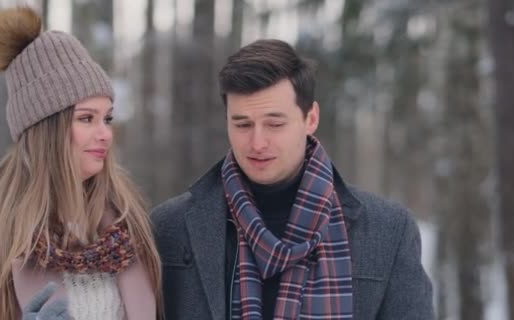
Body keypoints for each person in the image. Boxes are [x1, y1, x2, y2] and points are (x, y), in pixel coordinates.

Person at [152, 39, 434, 319]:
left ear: (310, 119)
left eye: (275, 124)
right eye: (242, 124)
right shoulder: (169, 227)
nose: (257, 142)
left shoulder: (388, 230)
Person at [0, 7, 160, 320]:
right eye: (86, 118)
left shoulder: (129, 225)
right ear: (46, 130)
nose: (105, 134)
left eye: (107, 118)